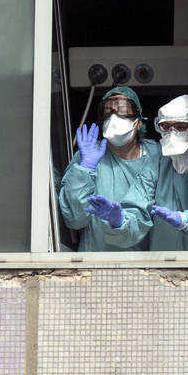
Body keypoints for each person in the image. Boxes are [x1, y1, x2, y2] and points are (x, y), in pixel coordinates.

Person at [58, 86, 161, 251]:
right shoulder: (89, 153)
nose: (114, 117)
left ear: (139, 122)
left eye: (122, 111)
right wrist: (85, 168)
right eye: (108, 112)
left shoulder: (156, 155)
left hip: (144, 261)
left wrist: (119, 221)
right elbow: (75, 220)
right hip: (95, 258)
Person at [149, 94, 188, 251]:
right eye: (166, 126)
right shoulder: (157, 163)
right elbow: (140, 199)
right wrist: (122, 221)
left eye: (180, 126)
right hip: (162, 258)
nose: (172, 133)